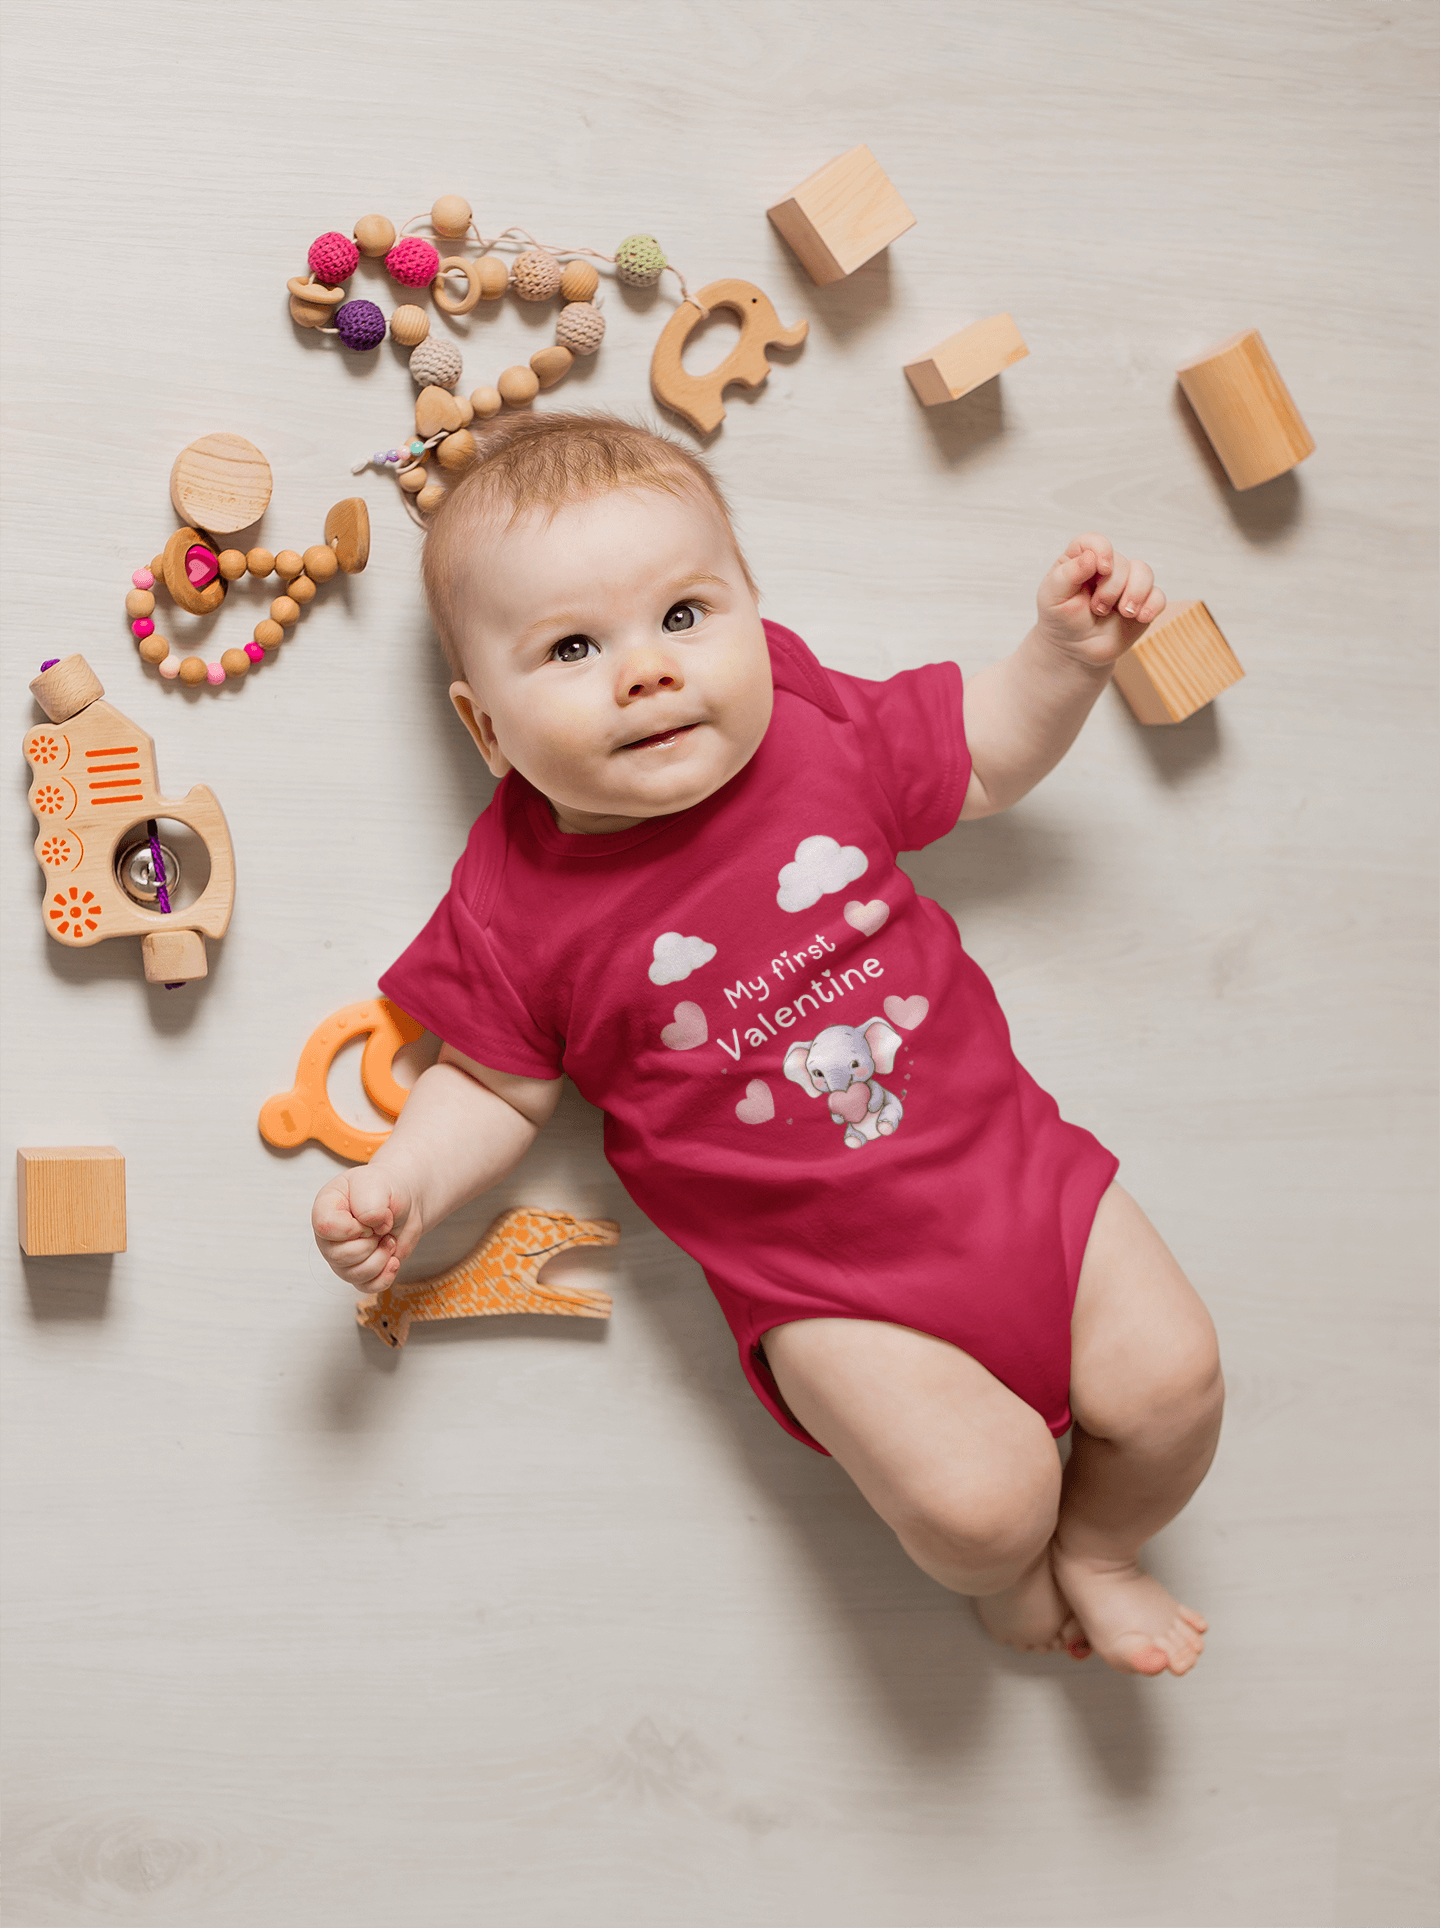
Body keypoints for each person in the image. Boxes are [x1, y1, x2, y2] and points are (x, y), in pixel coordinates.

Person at [312, 414, 1223, 1677]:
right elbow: (495, 1086)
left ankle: (1107, 1546)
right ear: (486, 731)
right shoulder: (513, 895)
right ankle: (1016, 1562)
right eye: (574, 647)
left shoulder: (809, 726)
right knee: (977, 1504)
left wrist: (1064, 656)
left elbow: (984, 759)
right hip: (829, 1290)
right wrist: (403, 1182)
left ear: (753, 609)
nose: (646, 670)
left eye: (685, 615)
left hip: (1019, 1180)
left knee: (1177, 1384)